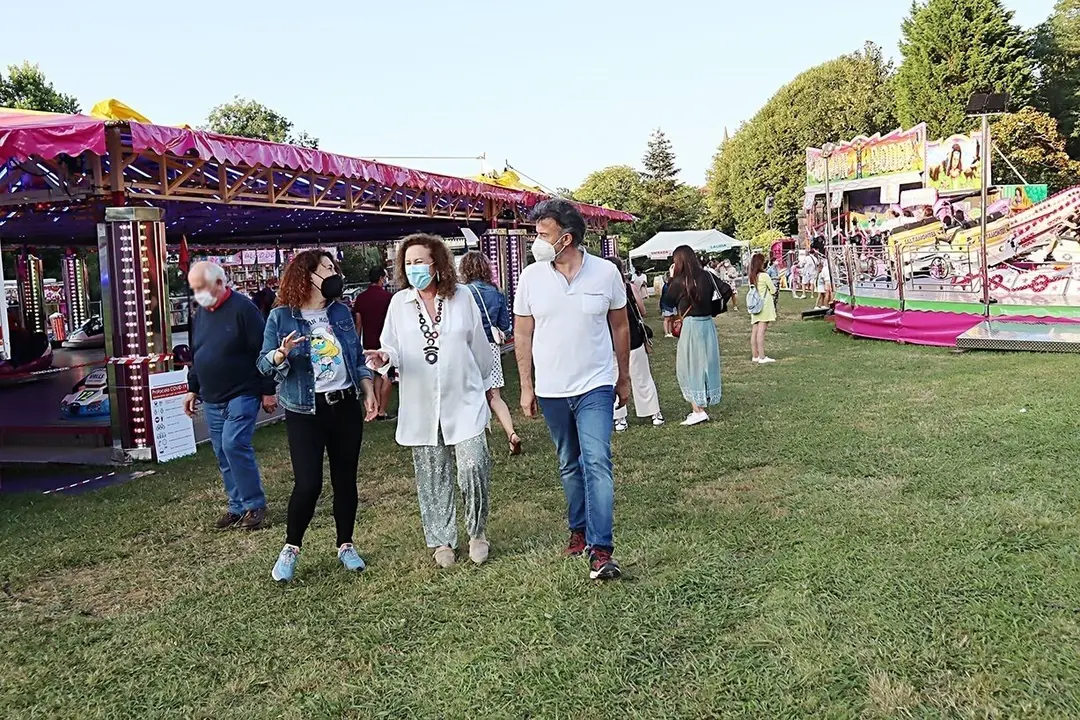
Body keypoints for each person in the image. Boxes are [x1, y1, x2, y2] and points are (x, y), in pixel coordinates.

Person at [514, 199, 630, 581]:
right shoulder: (531, 277)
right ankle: (578, 528)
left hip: (595, 384)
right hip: (551, 389)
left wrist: (623, 376)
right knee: (569, 462)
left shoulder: (605, 272)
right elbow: (523, 333)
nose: (537, 241)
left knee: (597, 461)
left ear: (567, 238)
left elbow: (620, 327)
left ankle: (601, 549)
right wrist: (527, 386)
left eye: (543, 234)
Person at [366, 234, 495, 569]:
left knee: (473, 465)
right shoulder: (399, 304)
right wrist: (384, 359)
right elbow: (391, 347)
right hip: (422, 403)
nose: (414, 269)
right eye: (408, 263)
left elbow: (478, 345)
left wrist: (483, 383)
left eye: (420, 261)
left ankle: (477, 532)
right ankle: (441, 540)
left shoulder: (462, 297)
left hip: (464, 398)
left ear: (437, 263)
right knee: (432, 473)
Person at [257, 250, 378, 582]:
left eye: (333, 267)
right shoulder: (281, 316)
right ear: (307, 275)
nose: (333, 273)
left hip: (344, 407)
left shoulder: (340, 311)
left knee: (345, 480)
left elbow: (355, 357)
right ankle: (291, 548)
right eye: (327, 268)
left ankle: (346, 545)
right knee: (308, 484)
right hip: (304, 411)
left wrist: (367, 389)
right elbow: (264, 364)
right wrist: (281, 353)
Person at [183, 261, 273, 531]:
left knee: (234, 444)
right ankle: (237, 507)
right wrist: (192, 387)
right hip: (212, 396)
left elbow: (264, 351)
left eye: (202, 287)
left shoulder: (244, 310)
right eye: (195, 288)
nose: (198, 292)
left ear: (220, 284)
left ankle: (255, 504)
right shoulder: (200, 314)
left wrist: (268, 391)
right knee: (222, 451)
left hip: (242, 392)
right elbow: (197, 353)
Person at [459, 250, 522, 456]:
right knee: (495, 395)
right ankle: (511, 433)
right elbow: (505, 326)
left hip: (467, 347)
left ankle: (475, 439)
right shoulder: (497, 292)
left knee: (470, 394)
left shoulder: (462, 293)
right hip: (491, 348)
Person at [661, 246, 722, 426]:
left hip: (691, 325)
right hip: (707, 323)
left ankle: (698, 409)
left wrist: (671, 279)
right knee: (707, 364)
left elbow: (667, 301)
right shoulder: (707, 275)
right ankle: (703, 401)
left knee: (689, 366)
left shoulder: (679, 281)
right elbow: (725, 290)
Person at [608, 256, 663, 432]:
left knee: (614, 378)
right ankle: (654, 413)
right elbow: (643, 311)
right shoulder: (629, 288)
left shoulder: (601, 291)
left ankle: (619, 418)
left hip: (610, 341)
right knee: (642, 376)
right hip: (633, 337)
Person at [352, 265, 395, 419]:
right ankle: (382, 410)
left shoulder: (361, 298)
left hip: (369, 342)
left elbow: (358, 322)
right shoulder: (388, 298)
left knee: (377, 375)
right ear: (381, 278)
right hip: (386, 342)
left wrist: (357, 343)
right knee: (388, 377)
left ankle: (375, 405)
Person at [748, 253, 778, 363]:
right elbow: (773, 290)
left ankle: (755, 355)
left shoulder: (751, 276)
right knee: (761, 332)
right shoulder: (764, 276)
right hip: (764, 306)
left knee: (754, 331)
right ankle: (762, 357)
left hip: (755, 305)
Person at [660, 267, 677, 338]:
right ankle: (666, 333)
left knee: (671, 319)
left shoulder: (671, 285)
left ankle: (670, 332)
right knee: (667, 319)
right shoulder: (666, 286)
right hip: (666, 305)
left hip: (672, 305)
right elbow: (666, 297)